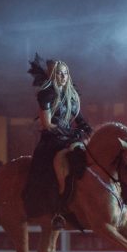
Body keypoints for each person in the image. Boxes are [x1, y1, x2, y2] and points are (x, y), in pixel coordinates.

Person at [22, 58, 92, 229]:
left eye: (65, 73)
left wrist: (89, 131)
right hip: (52, 141)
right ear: (53, 75)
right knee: (54, 172)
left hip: (69, 139)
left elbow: (80, 120)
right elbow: (47, 124)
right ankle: (57, 211)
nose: (63, 76)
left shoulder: (72, 96)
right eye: (59, 73)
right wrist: (71, 132)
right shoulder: (46, 95)